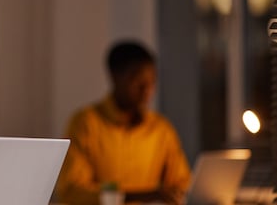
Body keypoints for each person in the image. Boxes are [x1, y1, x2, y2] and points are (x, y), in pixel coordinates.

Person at [54, 41, 191, 205]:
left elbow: (182, 184)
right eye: (137, 80)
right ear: (115, 76)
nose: (146, 89)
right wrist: (141, 195)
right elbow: (72, 191)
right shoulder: (86, 124)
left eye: (151, 81)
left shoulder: (161, 129)